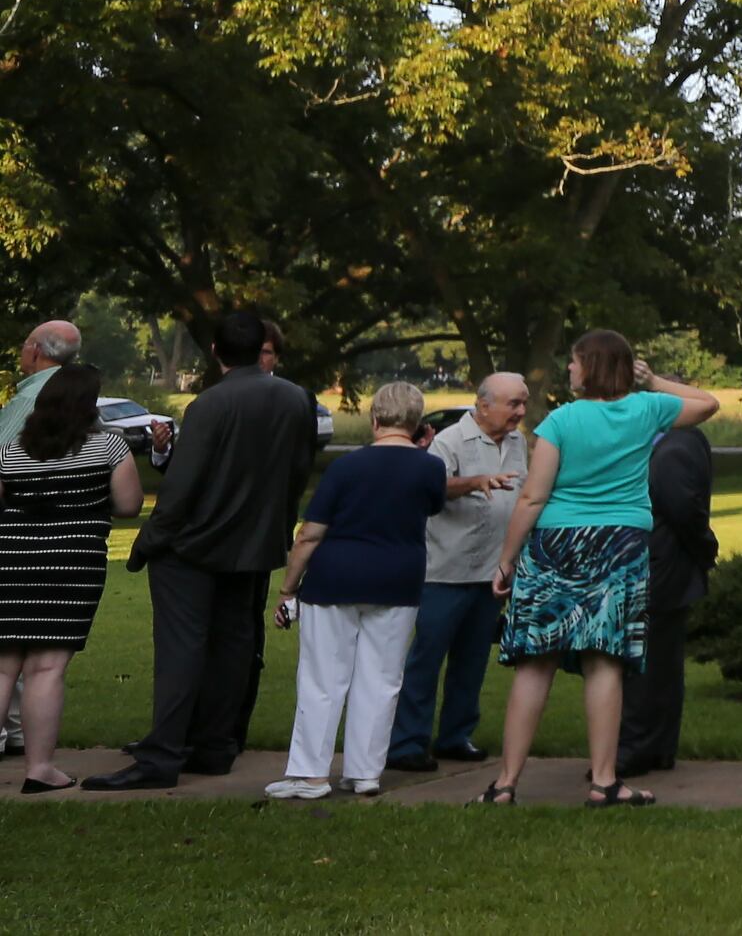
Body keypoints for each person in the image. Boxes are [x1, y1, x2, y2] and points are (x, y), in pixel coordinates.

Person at [476, 331, 721, 807]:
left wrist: (506, 560)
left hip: (556, 544)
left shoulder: (560, 422)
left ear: (590, 367)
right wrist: (653, 383)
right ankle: (605, 781)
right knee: (605, 661)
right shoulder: (647, 411)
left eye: (574, 361)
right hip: (620, 544)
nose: (568, 369)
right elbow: (707, 403)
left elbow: (532, 497)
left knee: (535, 662)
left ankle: (505, 784)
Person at [91, 308, 317, 790]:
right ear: (261, 349)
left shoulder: (211, 406)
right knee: (234, 646)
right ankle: (215, 746)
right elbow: (297, 470)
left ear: (215, 352)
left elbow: (182, 486)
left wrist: (149, 543)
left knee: (182, 650)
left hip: (194, 547)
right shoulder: (297, 399)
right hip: (254, 544)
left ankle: (163, 755)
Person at [265, 380, 448, 798]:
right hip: (400, 578)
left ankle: (311, 773)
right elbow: (434, 506)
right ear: (418, 423)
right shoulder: (431, 467)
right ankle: (365, 771)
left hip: (336, 577)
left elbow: (310, 534)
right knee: (381, 678)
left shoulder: (346, 467)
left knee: (323, 678)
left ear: (374, 418)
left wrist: (287, 588)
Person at [0, 364, 143, 790]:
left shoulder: (11, 452)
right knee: (46, 668)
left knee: (3, 667)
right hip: (71, 565)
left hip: (10, 561)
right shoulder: (109, 448)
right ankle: (40, 770)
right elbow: (130, 505)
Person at [390, 371, 528, 775]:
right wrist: (475, 482)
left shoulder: (518, 441)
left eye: (523, 402)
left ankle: (454, 736)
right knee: (425, 660)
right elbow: (431, 488)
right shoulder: (450, 441)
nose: (520, 411)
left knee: (471, 661)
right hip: (445, 570)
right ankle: (407, 743)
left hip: (493, 572)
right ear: (483, 405)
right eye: (512, 404)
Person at [616, 405, 716, 777]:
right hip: (665, 568)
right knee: (661, 663)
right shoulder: (677, 442)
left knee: (647, 664)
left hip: (660, 569)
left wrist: (706, 548)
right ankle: (656, 748)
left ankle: (636, 749)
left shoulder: (674, 447)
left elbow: (683, 510)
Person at [0, 316, 83, 763]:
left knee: (8, 651)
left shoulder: (28, 398)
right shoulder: (79, 397)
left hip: (18, 532)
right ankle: (21, 738)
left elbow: (4, 464)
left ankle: (10, 732)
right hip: (70, 547)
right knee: (41, 655)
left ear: (35, 350)